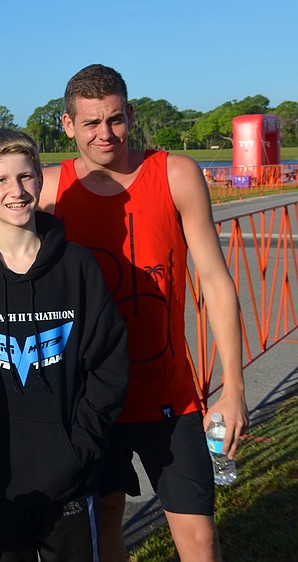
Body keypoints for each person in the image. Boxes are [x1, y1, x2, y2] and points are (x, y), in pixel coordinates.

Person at [39, 64, 248, 562]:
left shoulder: (175, 173)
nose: (104, 134)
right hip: (88, 401)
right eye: (90, 123)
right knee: (107, 521)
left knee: (199, 537)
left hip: (168, 394)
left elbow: (216, 281)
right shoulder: (49, 190)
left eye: (114, 119)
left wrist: (234, 388)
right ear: (67, 125)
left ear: (130, 114)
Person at [0, 129, 129, 561]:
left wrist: (80, 450)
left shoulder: (77, 266)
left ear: (40, 180)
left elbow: (109, 366)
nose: (16, 191)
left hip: (71, 479)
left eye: (25, 177)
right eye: (0, 181)